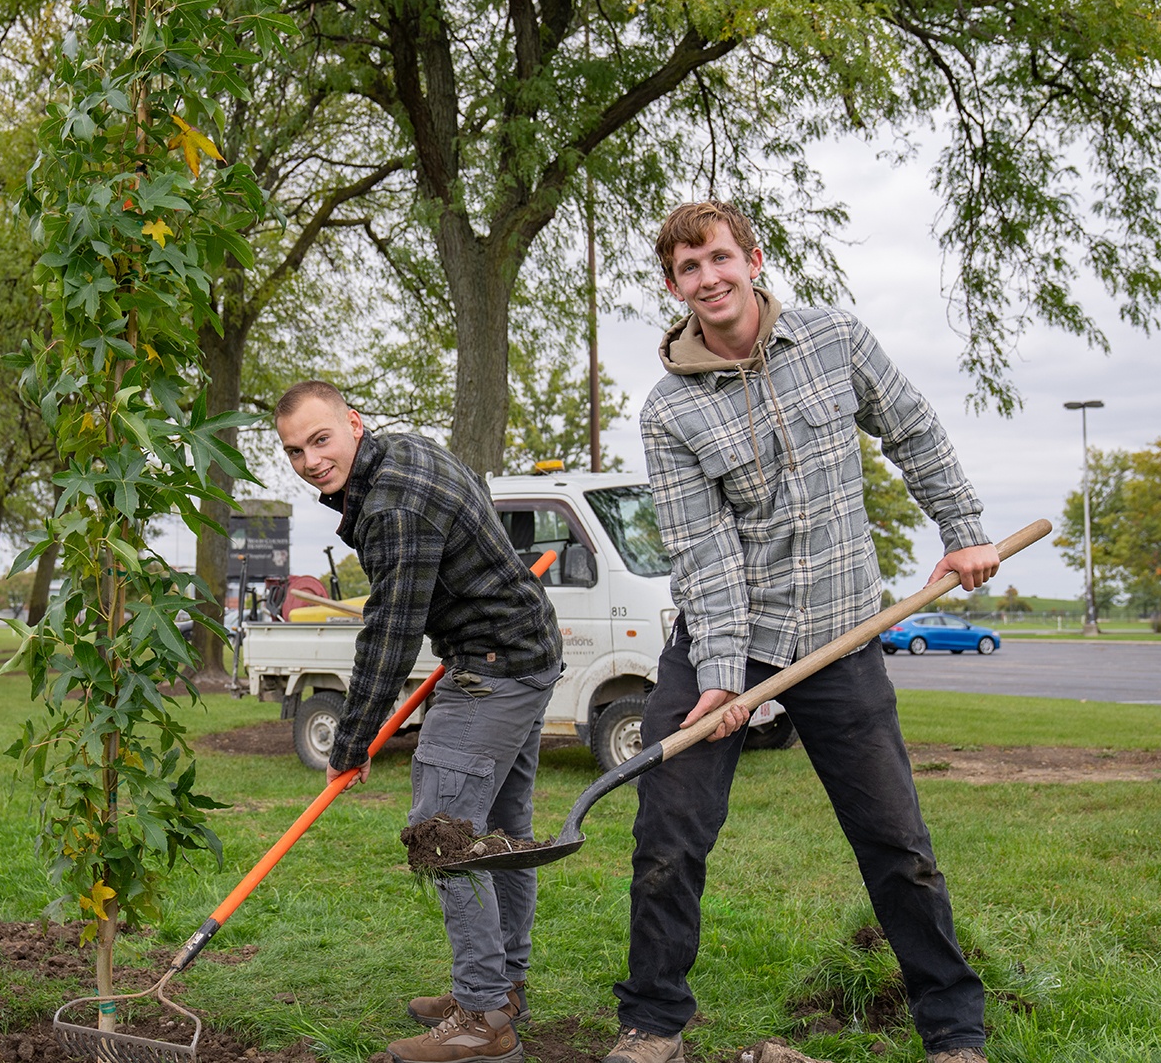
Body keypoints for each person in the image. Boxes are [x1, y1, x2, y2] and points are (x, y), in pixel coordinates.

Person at [609, 201, 997, 1063]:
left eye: (717, 259)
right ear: (673, 287)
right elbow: (703, 555)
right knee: (667, 835)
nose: (707, 279)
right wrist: (719, 674)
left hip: (842, 633)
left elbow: (916, 430)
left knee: (897, 842)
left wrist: (962, 528)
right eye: (686, 270)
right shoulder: (669, 411)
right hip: (723, 638)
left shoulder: (835, 341)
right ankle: (652, 1023)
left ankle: (954, 1031)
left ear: (753, 258)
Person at [275, 380, 563, 1063]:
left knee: (445, 837)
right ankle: (502, 983)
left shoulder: (393, 506)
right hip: (524, 653)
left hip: (490, 670)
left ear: (353, 423)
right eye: (294, 451)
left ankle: (484, 1021)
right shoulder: (403, 454)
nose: (311, 460)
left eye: (321, 440)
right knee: (501, 836)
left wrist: (352, 744)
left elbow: (389, 635)